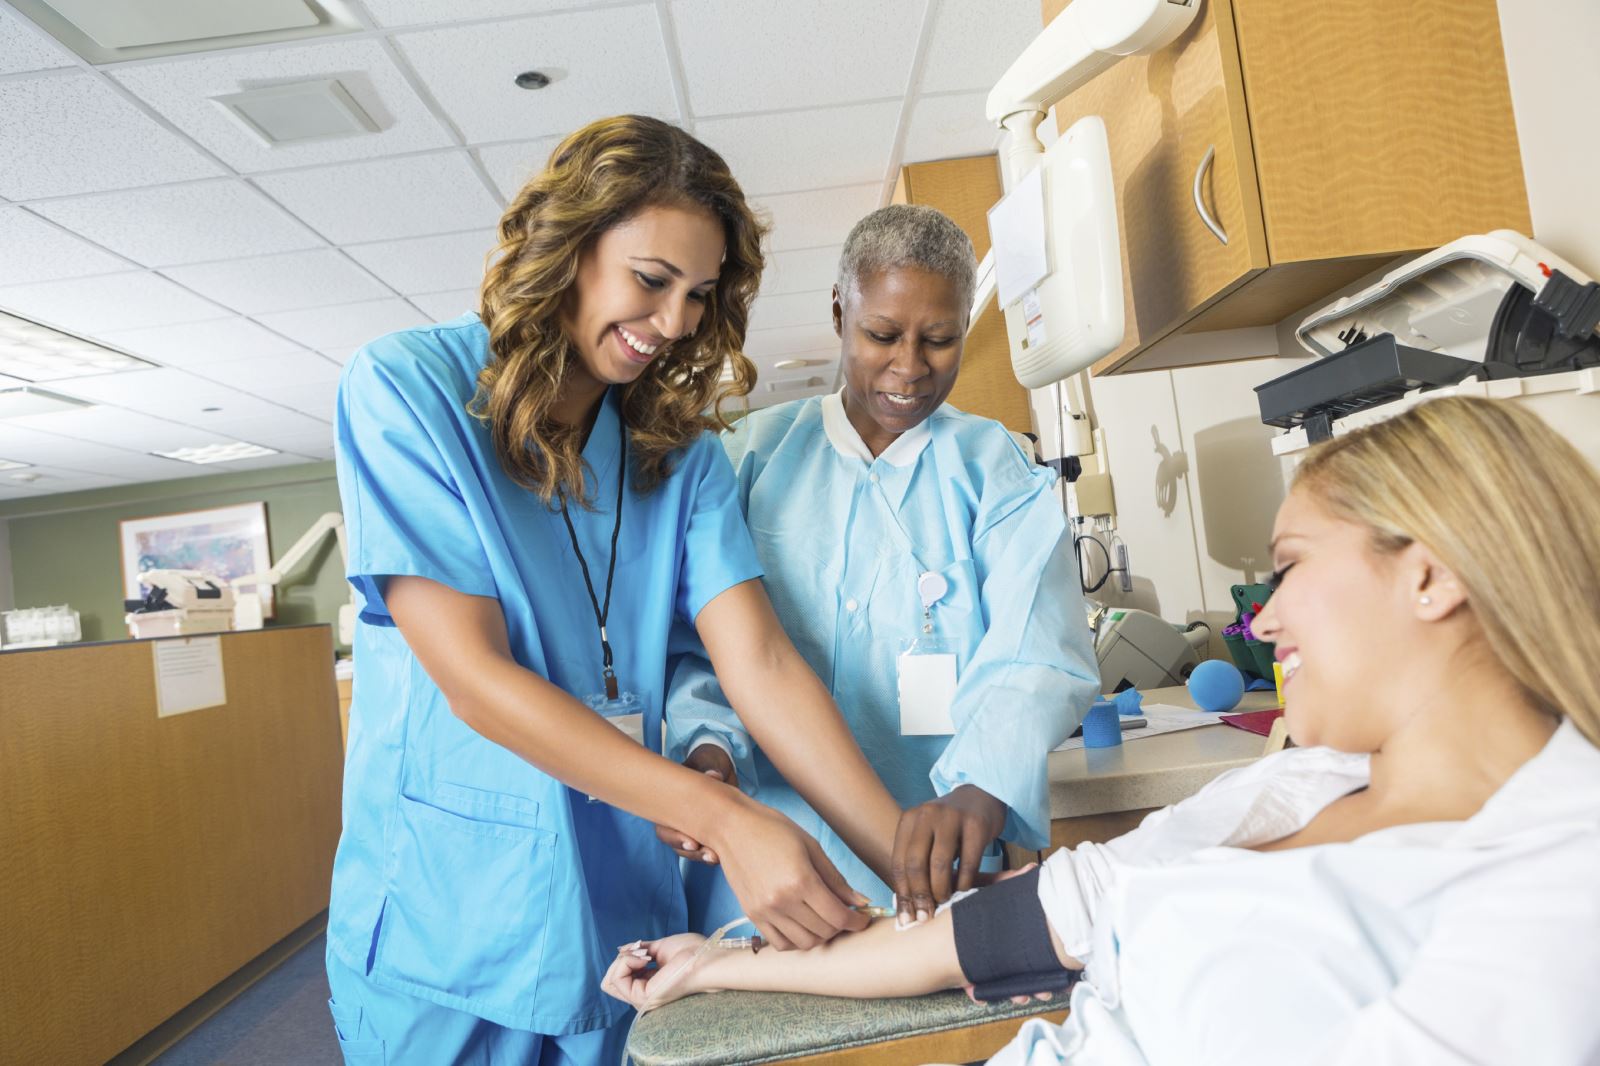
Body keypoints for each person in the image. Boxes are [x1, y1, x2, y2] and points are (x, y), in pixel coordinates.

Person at [607, 395, 1600, 1066]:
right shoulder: (1299, 787)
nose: (1264, 618)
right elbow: (1009, 922)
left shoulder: (1560, 872)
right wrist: (720, 961)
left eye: (1289, 566)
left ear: (1429, 573)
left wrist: (979, 779)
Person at [326, 115, 910, 1065]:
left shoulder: (679, 456)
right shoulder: (406, 392)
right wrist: (726, 818)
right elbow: (472, 677)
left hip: (622, 908)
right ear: (569, 247)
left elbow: (758, 660)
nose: (676, 322)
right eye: (651, 280)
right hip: (454, 913)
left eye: (699, 294)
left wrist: (912, 878)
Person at [662, 204, 1098, 930]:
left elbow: (1038, 654)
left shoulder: (996, 473)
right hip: (769, 867)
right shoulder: (745, 462)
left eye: (939, 339)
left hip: (948, 857)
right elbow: (696, 647)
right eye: (882, 334)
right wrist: (707, 747)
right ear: (841, 312)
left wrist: (980, 784)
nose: (909, 367)